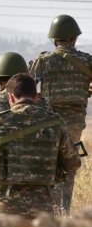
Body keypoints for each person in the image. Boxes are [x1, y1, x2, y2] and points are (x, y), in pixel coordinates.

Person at [0, 73, 81, 217]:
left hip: (4, 209)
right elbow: (73, 163)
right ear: (36, 97)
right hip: (43, 209)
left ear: (10, 97)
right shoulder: (56, 122)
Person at [29, 14, 92, 213]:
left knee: (47, 162)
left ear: (54, 39)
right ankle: (63, 210)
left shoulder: (43, 60)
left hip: (48, 121)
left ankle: (48, 210)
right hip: (74, 123)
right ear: (75, 38)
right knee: (69, 164)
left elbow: (25, 86)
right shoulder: (87, 60)